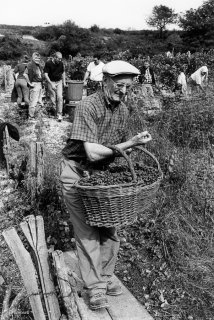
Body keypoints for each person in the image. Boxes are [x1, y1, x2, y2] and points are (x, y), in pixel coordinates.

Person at [60, 60, 152, 311]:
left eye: (128, 87)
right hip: (77, 173)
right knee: (88, 231)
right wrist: (130, 144)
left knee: (111, 228)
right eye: (119, 85)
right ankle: (95, 287)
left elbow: (108, 152)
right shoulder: (87, 106)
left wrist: (123, 153)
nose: (123, 91)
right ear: (105, 81)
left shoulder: (121, 109)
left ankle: (107, 276)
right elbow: (91, 152)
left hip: (99, 177)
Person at [44, 52, 66, 122]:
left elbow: (63, 72)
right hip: (51, 81)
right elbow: (45, 74)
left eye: (61, 59)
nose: (60, 60)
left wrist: (64, 82)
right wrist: (51, 83)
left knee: (60, 97)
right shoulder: (48, 63)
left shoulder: (61, 63)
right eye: (59, 59)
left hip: (59, 81)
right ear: (55, 57)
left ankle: (59, 114)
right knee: (53, 99)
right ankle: (55, 113)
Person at [27, 52, 44, 120]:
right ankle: (31, 117)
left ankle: (35, 115)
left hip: (40, 84)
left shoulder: (38, 66)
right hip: (35, 84)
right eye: (36, 58)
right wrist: (30, 83)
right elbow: (25, 74)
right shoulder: (30, 65)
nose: (37, 59)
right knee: (33, 102)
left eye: (39, 58)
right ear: (33, 58)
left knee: (39, 101)